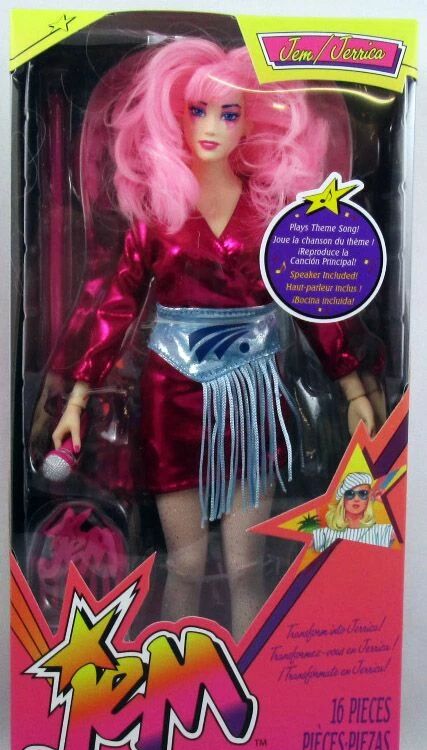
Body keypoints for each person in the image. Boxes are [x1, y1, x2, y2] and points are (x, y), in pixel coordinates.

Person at [44, 38, 385, 638]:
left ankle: (254, 677)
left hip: (254, 396)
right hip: (171, 392)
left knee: (247, 566)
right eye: (197, 111)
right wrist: (75, 400)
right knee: (186, 564)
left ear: (255, 124)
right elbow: (116, 307)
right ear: (170, 118)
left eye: (229, 113)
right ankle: (172, 677)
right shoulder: (157, 216)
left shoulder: (272, 214)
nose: (211, 127)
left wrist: (352, 386)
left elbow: (314, 302)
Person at [312, 472, 394, 552]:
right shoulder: (325, 534)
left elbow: (401, 530)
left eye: (363, 493)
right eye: (350, 493)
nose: (356, 499)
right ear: (342, 499)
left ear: (369, 498)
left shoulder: (380, 532)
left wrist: (387, 500)